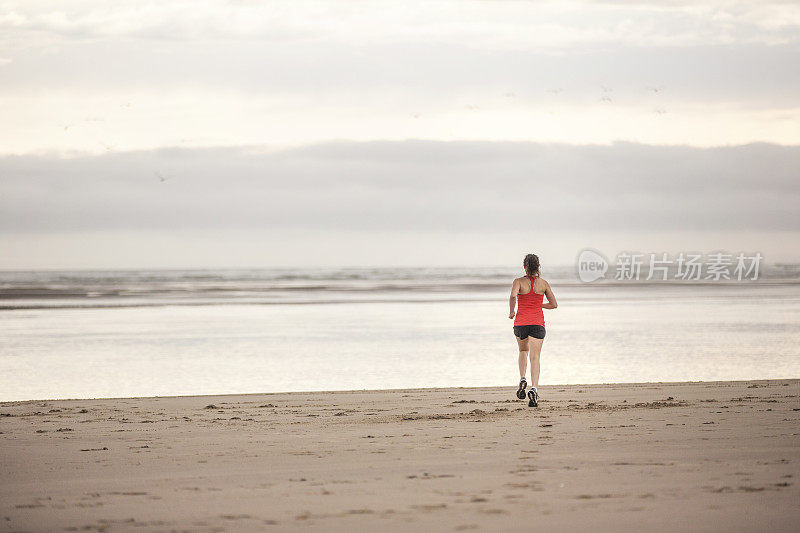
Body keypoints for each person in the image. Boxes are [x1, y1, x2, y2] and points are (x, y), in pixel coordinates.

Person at [509, 253, 557, 407]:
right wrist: (539, 305)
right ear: (538, 267)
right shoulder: (543, 284)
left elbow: (512, 296)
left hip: (521, 323)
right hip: (537, 324)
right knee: (535, 357)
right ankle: (534, 389)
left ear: (524, 267)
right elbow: (554, 304)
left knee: (523, 351)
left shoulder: (518, 282)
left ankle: (523, 378)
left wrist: (512, 311)